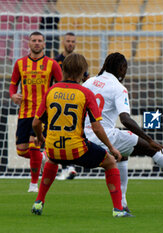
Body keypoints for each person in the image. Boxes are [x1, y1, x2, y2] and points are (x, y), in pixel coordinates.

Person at [83, 52, 163, 212]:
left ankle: (122, 204)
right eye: (125, 69)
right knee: (153, 148)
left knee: (123, 154)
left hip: (85, 137)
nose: (125, 73)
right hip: (104, 137)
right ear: (121, 68)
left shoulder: (89, 82)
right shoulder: (118, 88)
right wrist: (149, 139)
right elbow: (125, 119)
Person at [31, 53, 132, 218]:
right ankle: (118, 209)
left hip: (53, 148)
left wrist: (41, 138)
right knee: (110, 162)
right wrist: (112, 147)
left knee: (52, 159)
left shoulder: (51, 91)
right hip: (77, 149)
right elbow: (97, 128)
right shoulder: (85, 93)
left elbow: (36, 124)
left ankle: (38, 202)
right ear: (83, 72)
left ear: (63, 70)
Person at [9, 31, 62, 192]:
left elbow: (60, 84)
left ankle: (33, 184)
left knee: (34, 144)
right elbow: (13, 84)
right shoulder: (19, 63)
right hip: (24, 112)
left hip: (43, 113)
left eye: (40, 40)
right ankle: (44, 156)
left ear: (44, 44)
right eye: (34, 40)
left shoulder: (52, 64)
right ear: (29, 43)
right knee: (21, 150)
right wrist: (13, 95)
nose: (37, 43)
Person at [54, 32, 89, 180]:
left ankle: (69, 166)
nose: (70, 44)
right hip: (60, 101)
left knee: (75, 132)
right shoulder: (56, 61)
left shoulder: (79, 62)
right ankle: (66, 166)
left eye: (73, 41)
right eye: (68, 41)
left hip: (75, 101)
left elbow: (87, 79)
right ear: (63, 42)